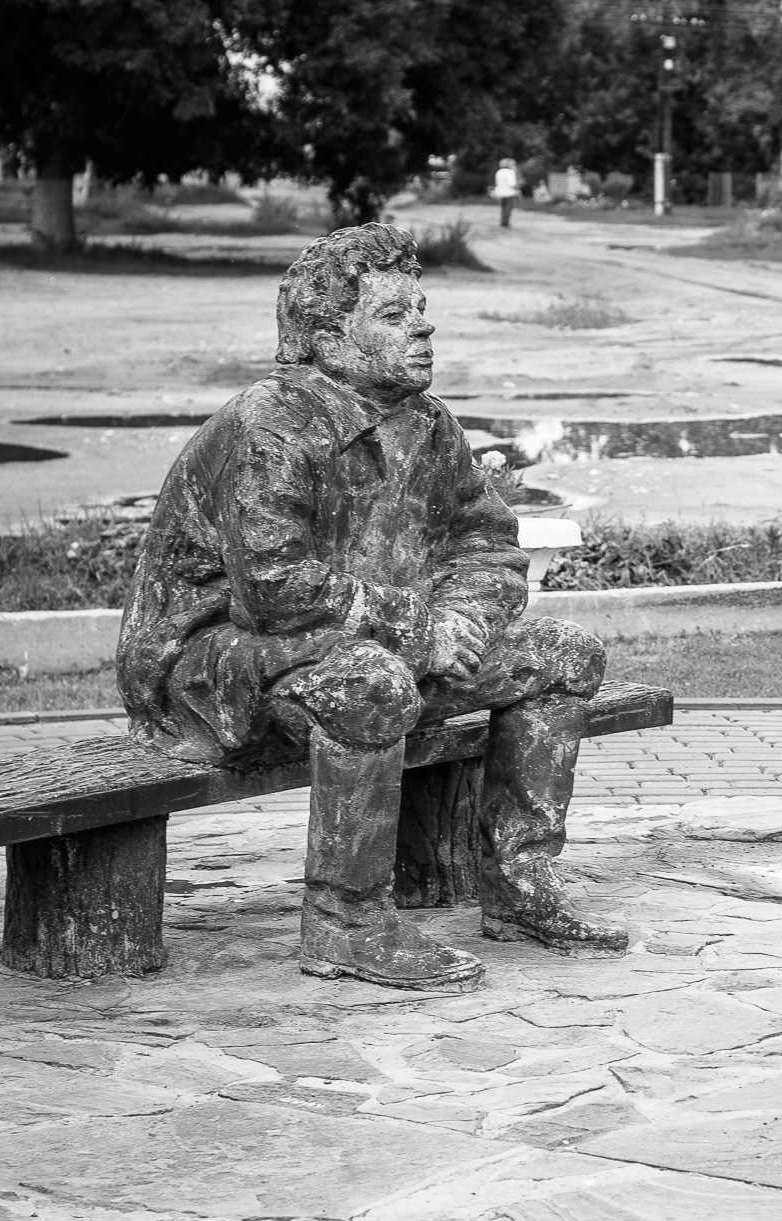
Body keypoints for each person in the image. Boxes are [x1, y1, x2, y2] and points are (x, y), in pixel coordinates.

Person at [117, 223, 623, 992]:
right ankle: (347, 923)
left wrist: (460, 624)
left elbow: (489, 545)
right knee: (372, 684)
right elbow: (274, 589)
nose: (424, 325)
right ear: (327, 336)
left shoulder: (428, 423)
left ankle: (520, 883)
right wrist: (420, 629)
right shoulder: (270, 425)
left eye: (420, 307)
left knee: (562, 654)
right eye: (394, 315)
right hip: (216, 658)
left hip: (360, 639)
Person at [492, 157, 521, 227]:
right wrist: (518, 188)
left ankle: (503, 221)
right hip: (509, 193)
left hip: (500, 193)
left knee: (503, 207)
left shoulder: (499, 172)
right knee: (508, 208)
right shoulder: (510, 172)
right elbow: (512, 184)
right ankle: (505, 223)